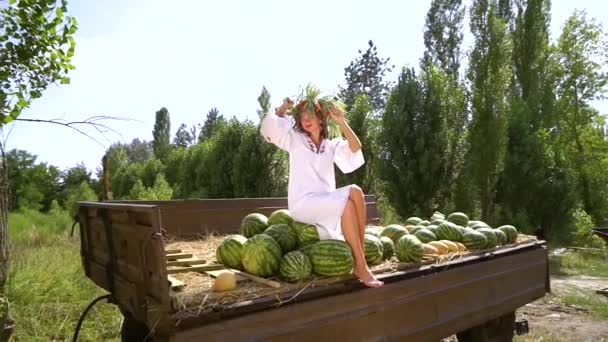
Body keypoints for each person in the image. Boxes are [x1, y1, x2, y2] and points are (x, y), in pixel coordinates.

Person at [260, 95, 383, 288]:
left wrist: (341, 121)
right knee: (348, 201)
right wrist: (283, 108)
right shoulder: (295, 139)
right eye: (303, 117)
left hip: (324, 201)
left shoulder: (330, 145)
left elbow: (356, 147)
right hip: (303, 203)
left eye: (311, 116)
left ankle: (361, 260)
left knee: (356, 193)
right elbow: (271, 128)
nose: (306, 120)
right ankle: (361, 265)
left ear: (320, 119)